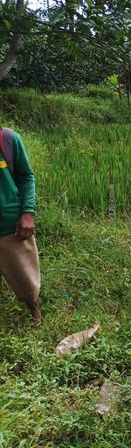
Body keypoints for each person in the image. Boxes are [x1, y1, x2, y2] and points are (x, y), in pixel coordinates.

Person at [0, 126, 41, 325]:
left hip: (8, 224)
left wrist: (27, 213)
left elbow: (26, 176)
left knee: (25, 278)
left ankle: (33, 308)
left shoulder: (8, 139)